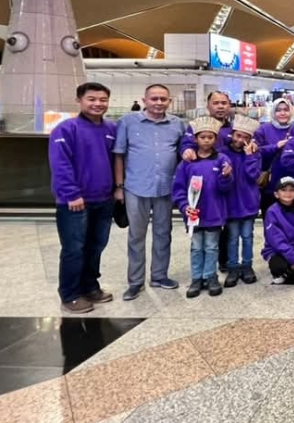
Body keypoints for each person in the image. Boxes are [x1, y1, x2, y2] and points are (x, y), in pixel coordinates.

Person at [113, 83, 187, 301]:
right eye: (154, 98)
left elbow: (184, 154)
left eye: (163, 99)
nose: (158, 103)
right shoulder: (127, 122)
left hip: (165, 188)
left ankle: (159, 276)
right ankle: (135, 282)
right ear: (144, 100)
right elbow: (119, 155)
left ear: (169, 101)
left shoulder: (177, 124)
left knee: (163, 234)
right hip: (136, 187)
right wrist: (119, 187)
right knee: (136, 236)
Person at [49, 82, 117, 314]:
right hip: (75, 201)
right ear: (79, 100)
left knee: (96, 246)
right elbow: (60, 165)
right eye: (92, 99)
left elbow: (117, 161)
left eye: (103, 100)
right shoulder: (66, 129)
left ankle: (90, 286)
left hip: (104, 199)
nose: (98, 104)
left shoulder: (111, 129)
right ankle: (69, 294)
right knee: (74, 248)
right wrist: (72, 194)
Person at [172, 116, 233, 298]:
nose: (206, 140)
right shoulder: (187, 163)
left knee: (212, 246)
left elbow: (225, 189)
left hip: (214, 212)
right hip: (194, 214)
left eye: (210, 137)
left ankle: (211, 276)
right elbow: (179, 189)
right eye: (202, 137)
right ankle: (196, 278)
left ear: (216, 139)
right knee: (197, 247)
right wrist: (184, 207)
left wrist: (225, 177)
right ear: (196, 139)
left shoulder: (222, 159)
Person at [223, 115, 262, 287]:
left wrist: (249, 157)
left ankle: (247, 265)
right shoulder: (222, 154)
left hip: (249, 202)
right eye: (238, 136)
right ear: (232, 134)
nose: (241, 140)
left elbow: (253, 175)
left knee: (247, 236)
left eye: (245, 137)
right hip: (231, 203)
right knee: (232, 238)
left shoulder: (254, 153)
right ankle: (232, 267)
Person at [262, 177, 294, 284]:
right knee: (279, 266)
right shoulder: (272, 212)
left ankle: (289, 271)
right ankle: (280, 272)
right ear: (276, 194)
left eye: (292, 190)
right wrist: (293, 259)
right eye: (284, 190)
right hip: (278, 251)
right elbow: (276, 240)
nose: (288, 193)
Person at [254, 98, 294, 217]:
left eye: (286, 110)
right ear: (273, 112)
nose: (282, 113)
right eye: (278, 110)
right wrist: (276, 146)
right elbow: (257, 151)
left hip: (292, 182)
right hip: (270, 183)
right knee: (270, 217)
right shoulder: (263, 129)